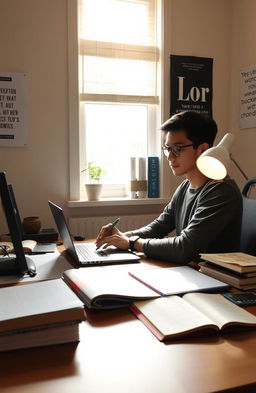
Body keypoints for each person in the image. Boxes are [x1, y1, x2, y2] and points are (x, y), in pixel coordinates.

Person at [95, 111, 243, 264]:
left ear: (202, 149)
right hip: (190, 272)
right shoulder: (185, 186)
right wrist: (125, 236)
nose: (170, 157)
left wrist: (132, 243)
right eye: (167, 148)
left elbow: (184, 247)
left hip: (216, 280)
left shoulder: (221, 191)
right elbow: (159, 227)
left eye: (178, 149)